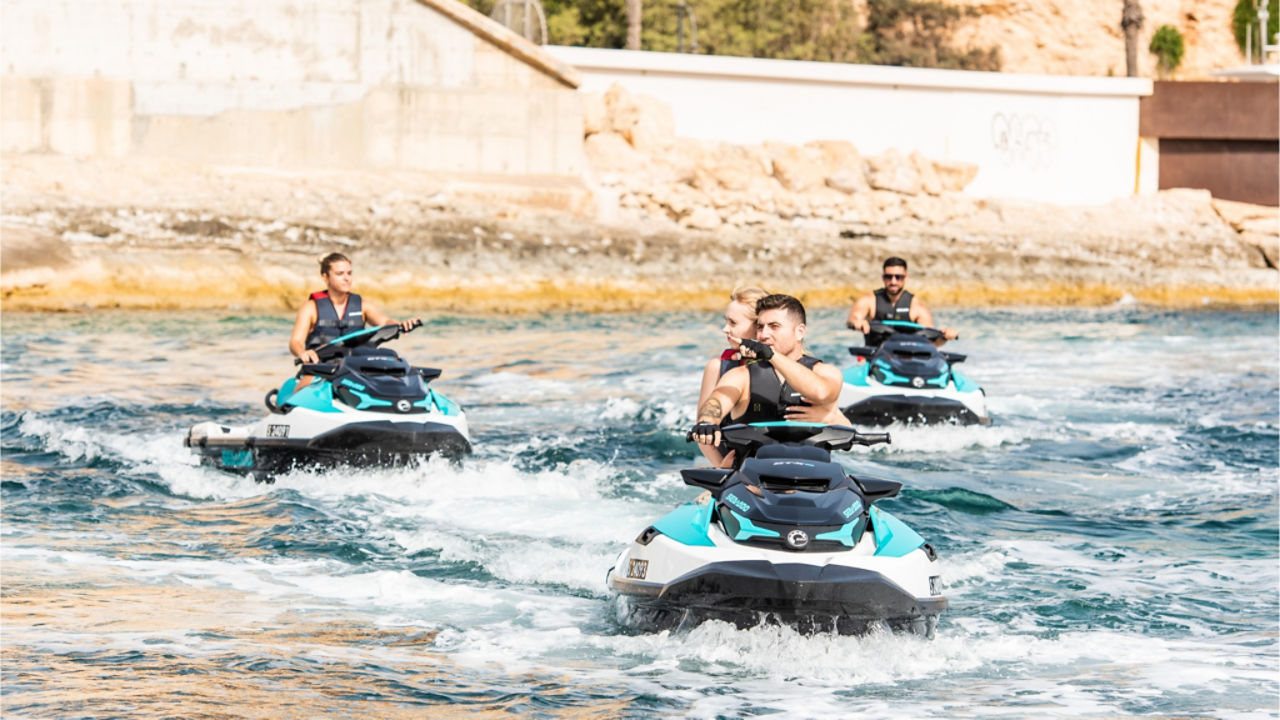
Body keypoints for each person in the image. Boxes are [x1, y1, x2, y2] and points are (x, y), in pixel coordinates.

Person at [691, 294, 845, 457]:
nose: (763, 335)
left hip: (813, 476)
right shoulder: (740, 376)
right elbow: (715, 403)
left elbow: (822, 392)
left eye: (774, 326)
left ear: (800, 332)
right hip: (753, 478)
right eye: (760, 327)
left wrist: (830, 418)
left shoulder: (826, 372)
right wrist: (707, 422)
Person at [288, 253, 418, 367]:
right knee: (304, 384)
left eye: (349, 273)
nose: (347, 278)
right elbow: (296, 341)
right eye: (340, 274)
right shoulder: (311, 307)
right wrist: (303, 353)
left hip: (355, 365)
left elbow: (385, 322)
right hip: (321, 365)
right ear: (325, 277)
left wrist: (400, 325)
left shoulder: (363, 305)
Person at [695, 285, 771, 467]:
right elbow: (702, 435)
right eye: (726, 321)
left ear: (758, 327)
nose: (725, 329)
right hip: (730, 468)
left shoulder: (787, 366)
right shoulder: (717, 367)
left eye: (733, 323)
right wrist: (724, 472)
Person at [845, 256, 957, 345]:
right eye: (889, 277)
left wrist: (945, 336)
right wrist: (858, 323)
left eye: (898, 277)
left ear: (906, 278)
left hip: (904, 359)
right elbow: (853, 319)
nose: (893, 281)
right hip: (873, 356)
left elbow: (931, 341)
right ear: (883, 277)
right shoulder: (869, 300)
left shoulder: (917, 306)